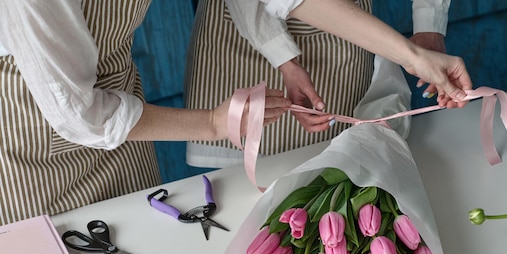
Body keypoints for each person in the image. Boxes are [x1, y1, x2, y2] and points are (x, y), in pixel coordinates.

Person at [0, 0, 291, 226]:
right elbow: (77, 113)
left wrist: (284, 57)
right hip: (40, 147)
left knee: (154, 243)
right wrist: (214, 123)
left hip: (128, 127)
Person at [185, 0, 469, 169]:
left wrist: (429, 21)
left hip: (347, 37)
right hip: (241, 36)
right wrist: (285, 60)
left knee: (340, 176)